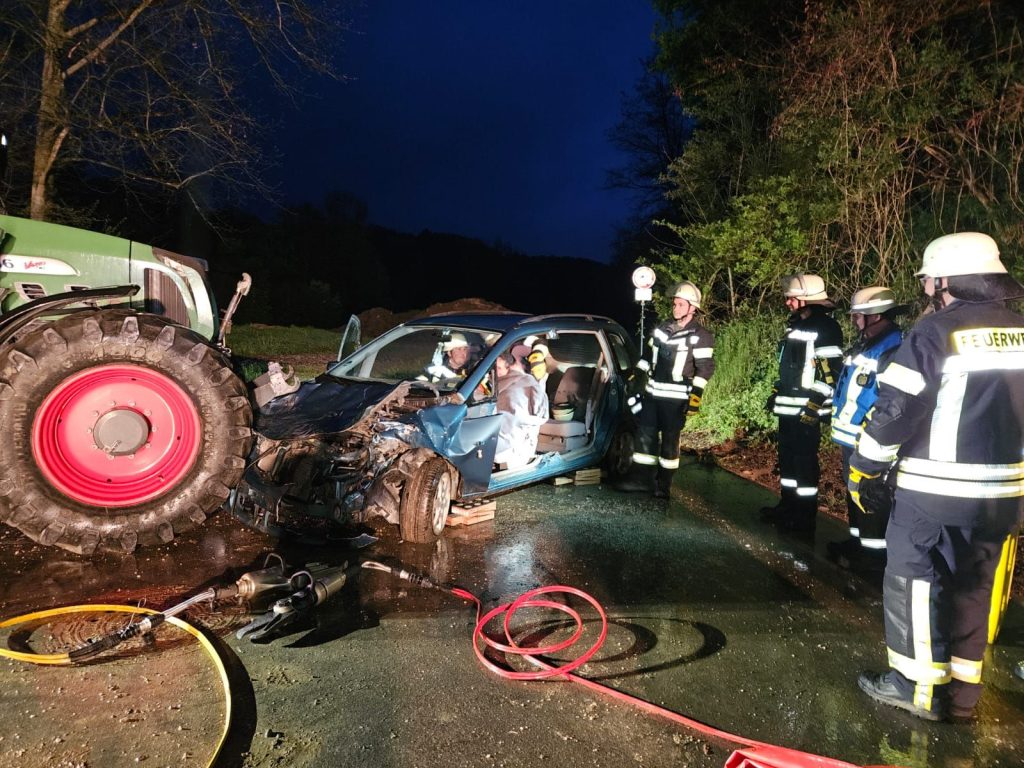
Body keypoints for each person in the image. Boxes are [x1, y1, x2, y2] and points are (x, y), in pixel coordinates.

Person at [851, 232, 1024, 722]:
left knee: (916, 583)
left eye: (929, 279)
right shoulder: (1021, 330)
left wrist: (866, 468)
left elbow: (896, 411)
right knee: (975, 589)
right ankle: (962, 696)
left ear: (947, 279)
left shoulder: (936, 332)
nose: (926, 288)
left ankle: (917, 688)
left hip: (934, 491)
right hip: (1004, 496)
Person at [614, 281, 715, 499]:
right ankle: (641, 481)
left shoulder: (701, 336)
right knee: (645, 437)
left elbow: (705, 368)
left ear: (692, 308)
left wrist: (695, 397)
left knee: (669, 443)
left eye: (680, 304)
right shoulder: (662, 329)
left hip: (676, 400)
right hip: (652, 395)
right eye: (674, 304)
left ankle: (663, 485)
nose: (675, 308)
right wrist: (636, 374)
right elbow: (647, 356)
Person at [827, 286, 904, 568]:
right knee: (854, 492)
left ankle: (873, 558)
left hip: (870, 440)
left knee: (870, 496)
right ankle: (857, 542)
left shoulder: (893, 349)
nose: (853, 320)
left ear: (875, 316)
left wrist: (873, 433)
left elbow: (891, 401)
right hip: (851, 437)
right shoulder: (867, 344)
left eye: (857, 315)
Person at [760, 274, 844, 533]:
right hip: (788, 409)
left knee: (804, 464)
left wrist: (814, 406)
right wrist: (778, 390)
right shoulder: (795, 326)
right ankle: (788, 507)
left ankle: (804, 518)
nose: (787, 303)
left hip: (806, 412)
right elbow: (792, 368)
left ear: (806, 299)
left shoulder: (826, 328)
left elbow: (831, 374)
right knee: (787, 461)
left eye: (792, 298)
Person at [493, 349, 549, 469]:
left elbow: (541, 416)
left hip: (515, 446)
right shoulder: (492, 385)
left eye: (498, 368)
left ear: (509, 367)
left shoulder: (527, 383)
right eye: (493, 368)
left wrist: (519, 419)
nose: (495, 372)